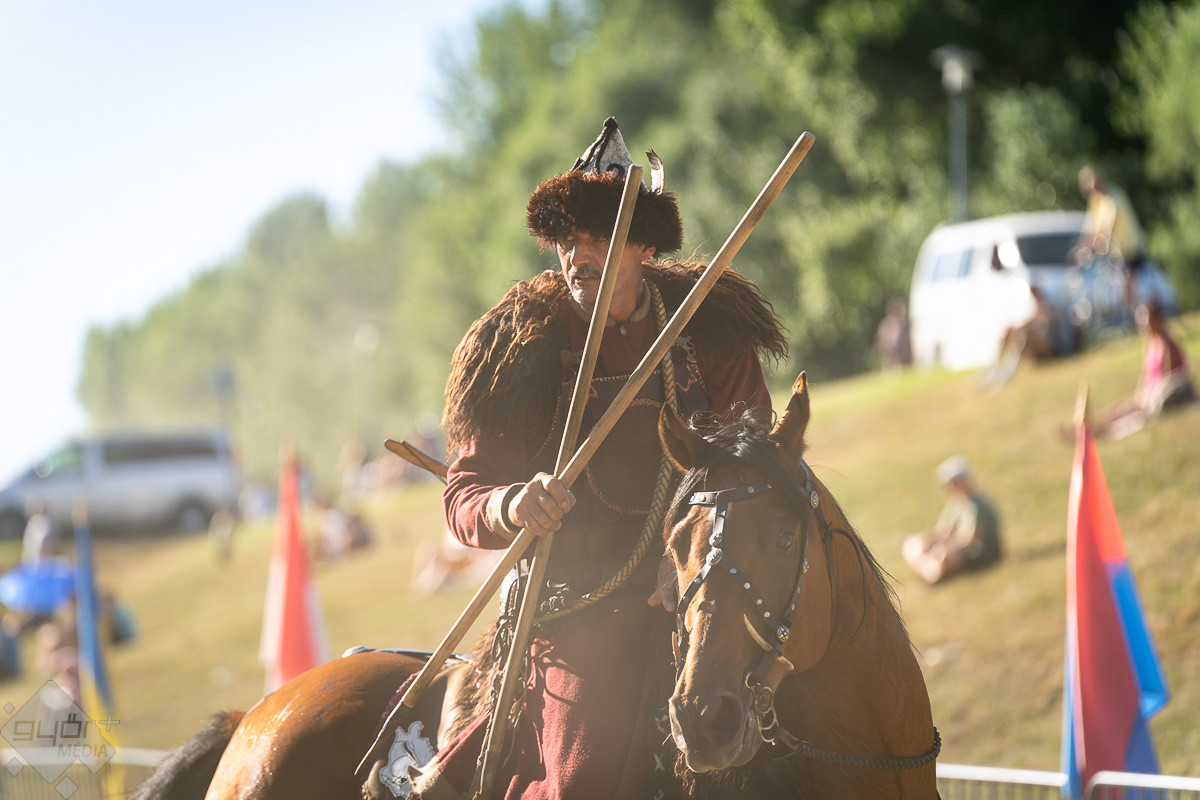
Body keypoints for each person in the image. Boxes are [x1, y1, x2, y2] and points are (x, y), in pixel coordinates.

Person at [369, 118, 786, 800]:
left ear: (643, 245)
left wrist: (687, 559)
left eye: (598, 236)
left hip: (706, 588)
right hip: (578, 612)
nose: (577, 255)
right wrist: (513, 504)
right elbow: (465, 495)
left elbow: (752, 465)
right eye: (567, 239)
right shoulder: (518, 343)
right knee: (584, 778)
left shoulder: (709, 326)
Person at [1091, 299, 1195, 439]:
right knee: (1121, 408)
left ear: (1157, 320)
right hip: (1149, 393)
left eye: (1147, 321)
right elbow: (1147, 375)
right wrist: (1141, 394)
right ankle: (1091, 428)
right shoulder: (1151, 343)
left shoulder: (1167, 345)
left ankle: (1100, 432)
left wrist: (1146, 397)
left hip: (1160, 395)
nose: (1144, 326)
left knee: (1131, 414)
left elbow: (1169, 379)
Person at [902, 456, 1002, 585]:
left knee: (944, 555)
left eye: (954, 483)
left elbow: (971, 540)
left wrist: (944, 547)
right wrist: (930, 544)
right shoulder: (955, 504)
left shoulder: (977, 505)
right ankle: (930, 571)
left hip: (979, 553)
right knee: (915, 543)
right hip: (958, 546)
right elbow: (943, 531)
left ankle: (932, 576)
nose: (950, 488)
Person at [1073, 166, 1150, 311]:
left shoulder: (1113, 196)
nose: (1095, 191)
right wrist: (1082, 246)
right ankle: (1128, 310)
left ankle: (1133, 312)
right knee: (1113, 280)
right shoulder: (1096, 201)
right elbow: (1091, 226)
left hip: (1129, 247)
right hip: (1116, 251)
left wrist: (1102, 244)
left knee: (1128, 279)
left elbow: (1109, 225)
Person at [874, 297, 913, 371]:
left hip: (897, 350)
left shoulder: (902, 324)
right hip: (889, 348)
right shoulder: (887, 324)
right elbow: (881, 337)